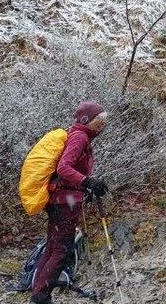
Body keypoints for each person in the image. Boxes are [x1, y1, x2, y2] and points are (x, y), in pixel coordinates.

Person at [30, 101, 110, 304]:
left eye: (103, 121)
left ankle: (39, 293)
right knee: (61, 250)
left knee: (53, 246)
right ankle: (40, 297)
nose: (102, 125)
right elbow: (64, 168)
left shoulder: (79, 135)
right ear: (87, 121)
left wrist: (84, 186)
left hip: (62, 198)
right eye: (99, 121)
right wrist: (87, 182)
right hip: (65, 200)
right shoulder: (80, 137)